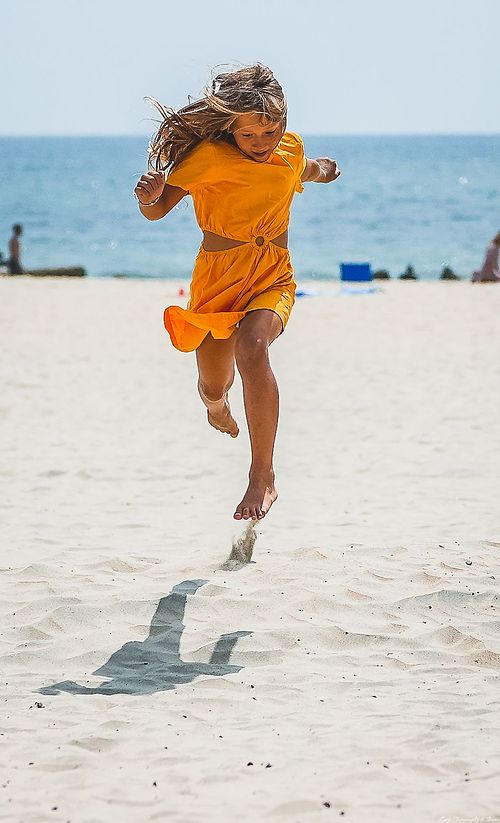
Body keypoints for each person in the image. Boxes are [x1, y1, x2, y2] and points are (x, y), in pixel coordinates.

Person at [134, 64, 340, 521]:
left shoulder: (289, 149)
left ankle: (262, 476)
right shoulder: (207, 158)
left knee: (253, 347)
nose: (262, 142)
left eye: (271, 130)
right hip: (218, 284)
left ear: (284, 121)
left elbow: (306, 169)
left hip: (271, 275)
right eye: (249, 135)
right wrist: (149, 197)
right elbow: (158, 210)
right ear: (230, 128)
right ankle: (217, 406)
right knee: (213, 384)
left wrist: (327, 169)